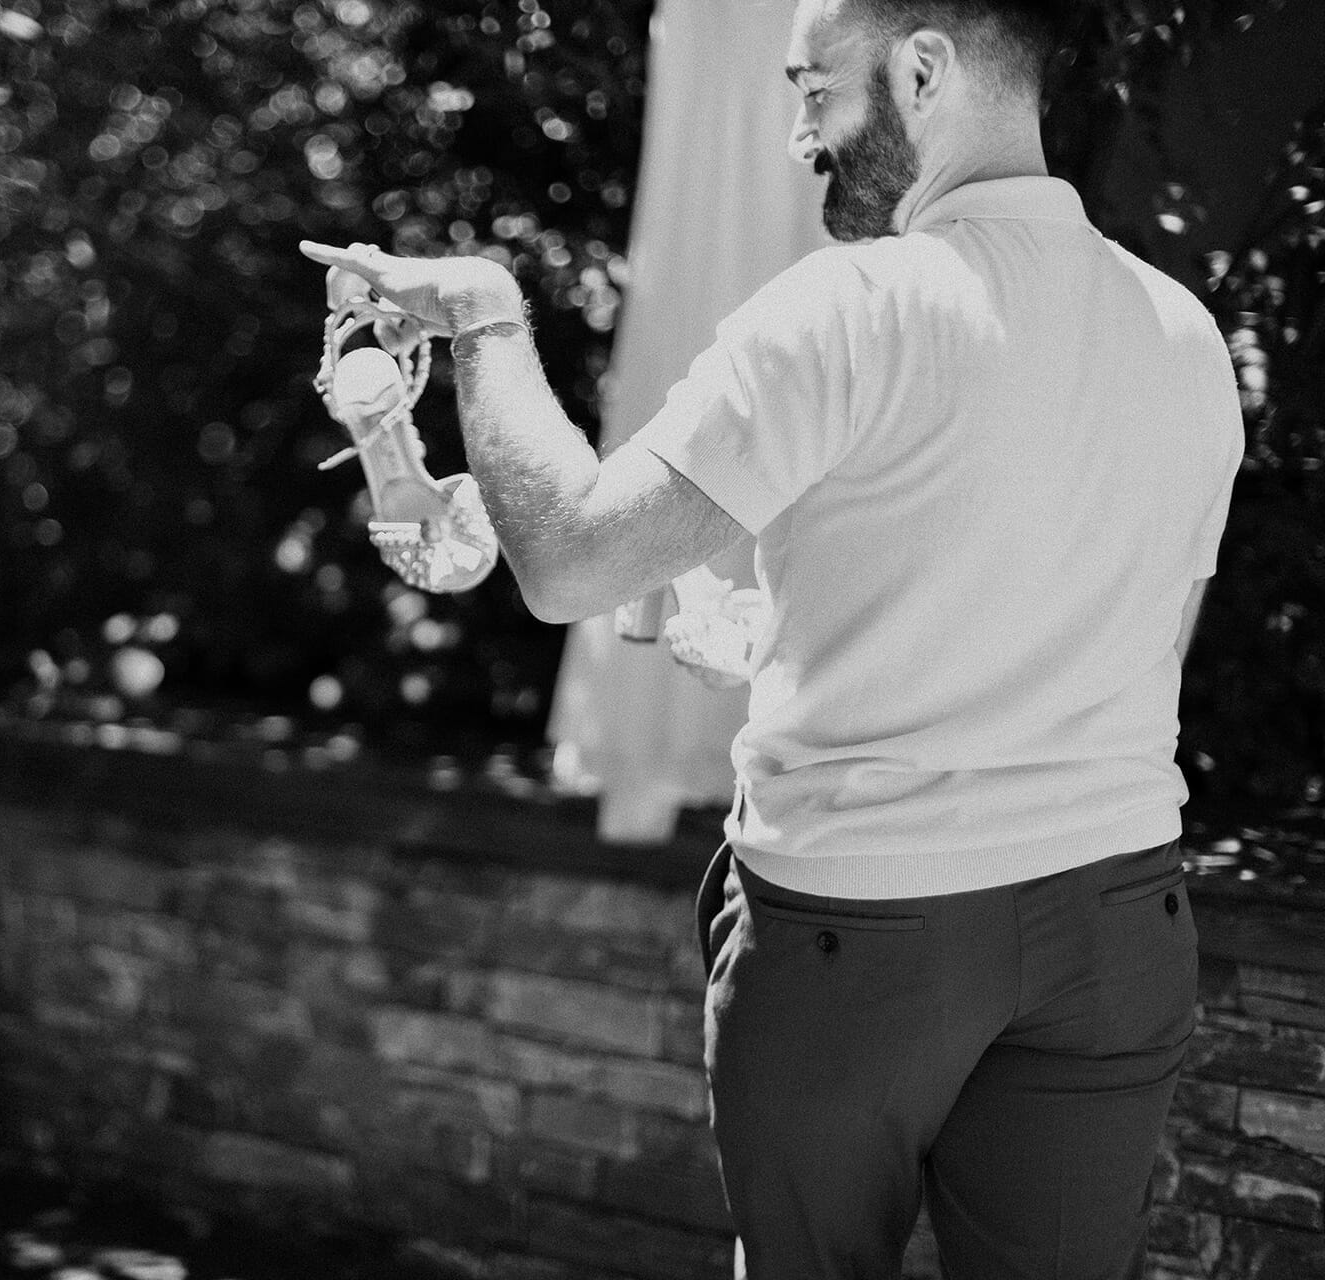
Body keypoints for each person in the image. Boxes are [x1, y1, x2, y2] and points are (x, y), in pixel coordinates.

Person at [302, 0, 1243, 1274]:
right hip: (1118, 914)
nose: (798, 134)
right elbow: (1129, 647)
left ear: (922, 70)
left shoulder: (847, 308)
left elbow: (570, 561)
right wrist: (788, 643)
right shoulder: (1183, 331)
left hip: (865, 927)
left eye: (813, 89)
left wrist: (485, 314)